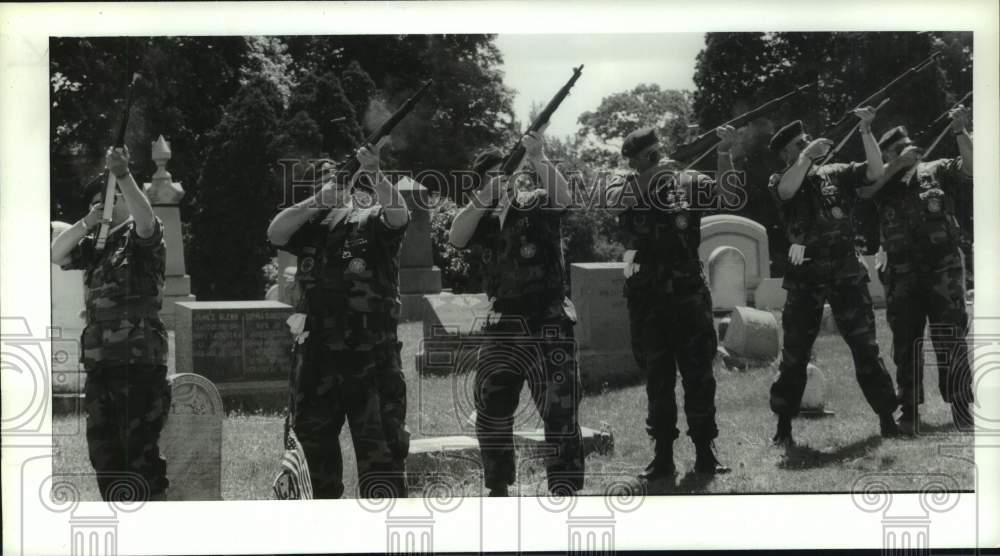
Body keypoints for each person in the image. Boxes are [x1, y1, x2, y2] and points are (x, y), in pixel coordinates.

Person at [267, 138, 410, 499]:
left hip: (371, 358)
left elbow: (399, 216)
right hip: (317, 360)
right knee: (312, 463)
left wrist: (376, 174)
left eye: (335, 181)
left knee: (382, 459)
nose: (331, 188)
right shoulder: (310, 226)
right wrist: (317, 201)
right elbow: (275, 232)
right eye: (320, 183)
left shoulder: (371, 217)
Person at [449, 130, 583, 497]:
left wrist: (539, 158)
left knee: (560, 408)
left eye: (504, 174)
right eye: (493, 176)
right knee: (492, 406)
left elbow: (565, 197)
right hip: (504, 323)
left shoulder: (537, 201)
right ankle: (497, 485)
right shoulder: (482, 218)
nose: (502, 181)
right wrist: (484, 197)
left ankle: (564, 487)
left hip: (549, 317)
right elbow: (455, 237)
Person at [606, 125, 739, 484]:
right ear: (633, 161)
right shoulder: (622, 183)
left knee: (699, 375)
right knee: (657, 379)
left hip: (688, 294)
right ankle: (662, 455)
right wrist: (654, 174)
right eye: (644, 157)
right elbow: (616, 204)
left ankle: (705, 453)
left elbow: (727, 196)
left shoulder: (688, 180)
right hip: (647, 299)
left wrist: (724, 153)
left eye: (655, 153)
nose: (653, 159)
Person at [767, 108, 900, 446]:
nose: (808, 144)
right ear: (787, 152)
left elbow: (874, 170)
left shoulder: (835, 173)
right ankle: (784, 424)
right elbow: (785, 192)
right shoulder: (782, 178)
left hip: (845, 273)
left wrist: (866, 131)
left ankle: (887, 416)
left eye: (807, 140)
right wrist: (805, 160)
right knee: (795, 352)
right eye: (800, 143)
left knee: (865, 346)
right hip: (805, 276)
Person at [51, 146, 171, 502]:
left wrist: (122, 175)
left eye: (107, 198)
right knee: (105, 456)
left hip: (139, 363)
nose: (100, 203)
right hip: (101, 366)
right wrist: (89, 221)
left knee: (141, 458)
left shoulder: (141, 239)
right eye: (95, 200)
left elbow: (146, 220)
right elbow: (55, 253)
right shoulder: (97, 246)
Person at [855, 105, 974, 434]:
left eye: (907, 146)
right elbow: (864, 192)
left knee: (951, 337)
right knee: (906, 342)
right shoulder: (882, 181)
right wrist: (895, 165)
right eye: (897, 149)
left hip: (943, 268)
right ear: (887, 155)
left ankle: (962, 405)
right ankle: (909, 410)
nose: (908, 151)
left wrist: (961, 131)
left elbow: (972, 169)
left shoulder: (936, 169)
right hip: (902, 272)